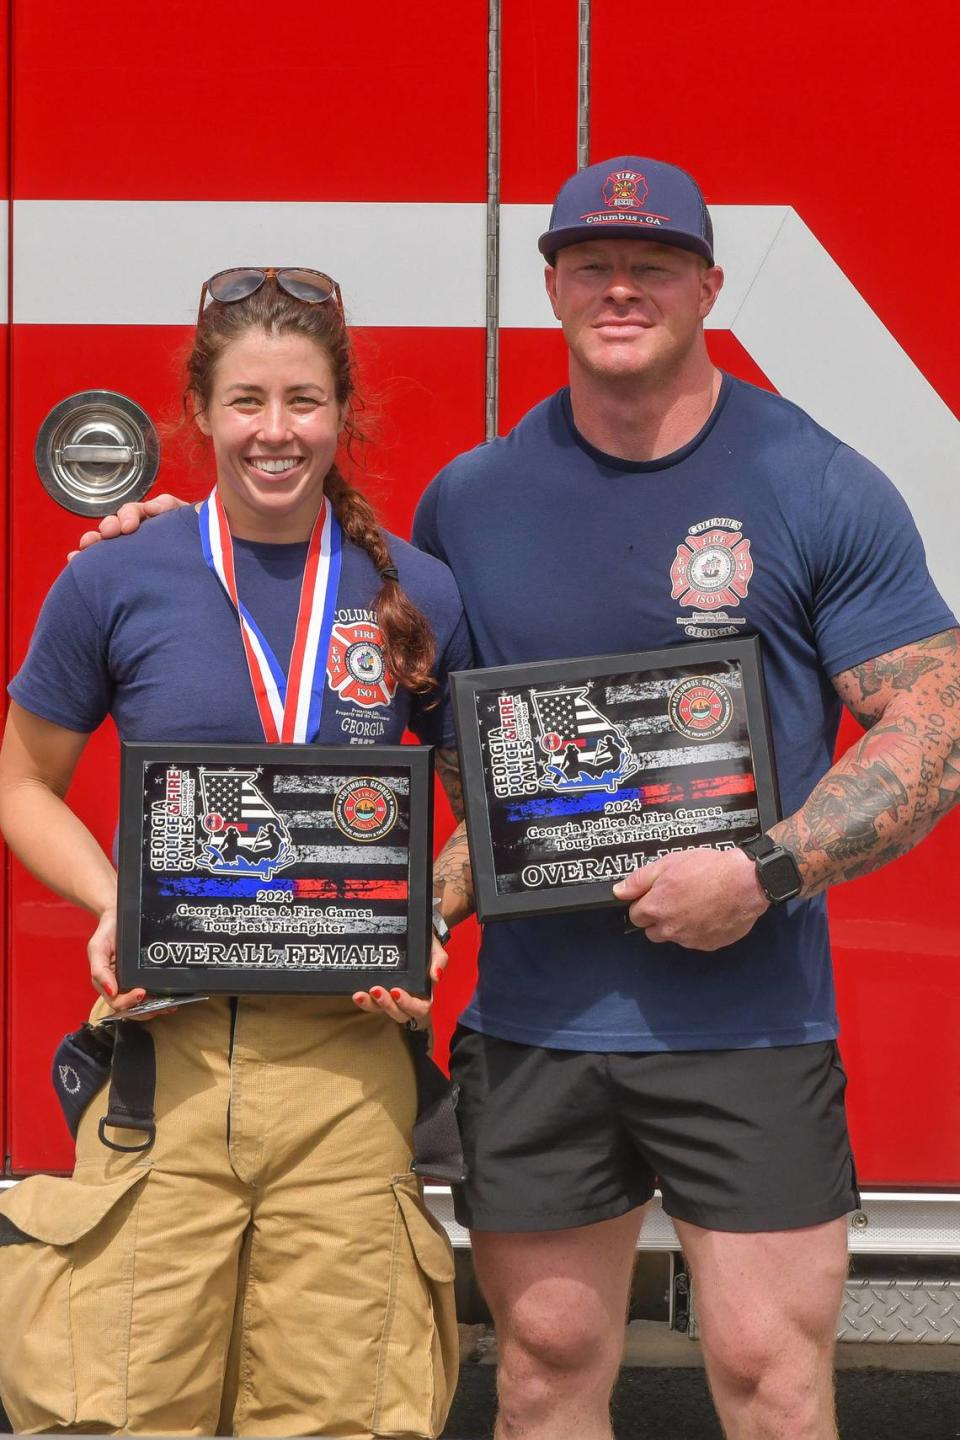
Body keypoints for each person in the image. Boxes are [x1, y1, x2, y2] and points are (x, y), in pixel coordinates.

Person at [72, 160, 960, 1440]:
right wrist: (163, 538)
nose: (620, 287)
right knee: (542, 1371)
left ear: (709, 284)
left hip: (752, 1025)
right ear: (550, 285)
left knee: (771, 1377)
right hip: (538, 1027)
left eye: (653, 265)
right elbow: (431, 728)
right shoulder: (474, 499)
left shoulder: (811, 479)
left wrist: (762, 873)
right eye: (591, 262)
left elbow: (934, 707)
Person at [0, 268, 471, 1438]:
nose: (276, 432)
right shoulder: (114, 578)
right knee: (118, 1408)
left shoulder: (419, 593)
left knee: (342, 1416)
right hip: (166, 1059)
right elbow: (20, 783)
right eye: (248, 402)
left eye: (304, 402)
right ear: (200, 415)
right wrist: (114, 899)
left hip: (348, 1071)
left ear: (343, 414)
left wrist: (428, 911)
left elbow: (483, 813)